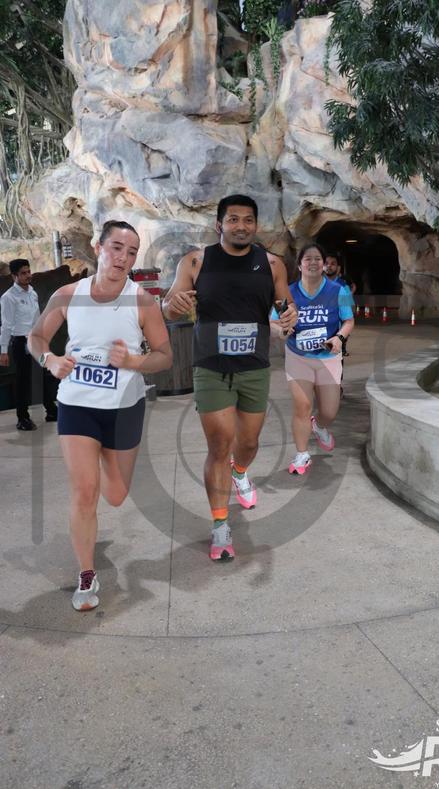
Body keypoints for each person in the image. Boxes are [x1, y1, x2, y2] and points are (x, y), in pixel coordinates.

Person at [28, 220, 172, 611]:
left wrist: (134, 361)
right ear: (98, 247)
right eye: (116, 248)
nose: (123, 258)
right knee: (84, 491)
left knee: (115, 494)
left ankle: (109, 469)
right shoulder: (68, 294)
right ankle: (87, 574)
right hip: (77, 404)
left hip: (124, 408)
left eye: (131, 252)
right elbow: (36, 337)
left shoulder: (142, 302)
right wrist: (49, 359)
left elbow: (165, 356)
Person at [162, 194, 297, 562]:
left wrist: (289, 315)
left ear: (256, 225)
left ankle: (241, 472)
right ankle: (220, 524)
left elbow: (285, 304)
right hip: (210, 366)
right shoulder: (196, 261)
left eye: (248, 220)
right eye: (233, 219)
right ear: (219, 224)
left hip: (254, 367)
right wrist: (172, 305)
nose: (241, 226)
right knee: (220, 445)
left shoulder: (272, 264)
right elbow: (169, 304)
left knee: (248, 443)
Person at [274, 243, 354, 474]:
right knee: (303, 406)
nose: (313, 262)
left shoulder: (340, 290)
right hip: (298, 356)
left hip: (328, 357)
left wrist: (339, 337)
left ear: (324, 265)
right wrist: (282, 330)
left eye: (318, 259)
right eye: (307, 259)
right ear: (299, 265)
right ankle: (301, 454)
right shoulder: (287, 293)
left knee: (329, 412)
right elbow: (273, 322)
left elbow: (349, 321)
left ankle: (318, 426)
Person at [0, 259, 58, 429]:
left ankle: (51, 411)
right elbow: (6, 325)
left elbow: (37, 319)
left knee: (44, 375)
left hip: (36, 341)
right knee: (23, 381)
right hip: (20, 343)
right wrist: (3, 351)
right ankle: (22, 418)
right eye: (23, 273)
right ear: (14, 276)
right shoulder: (8, 298)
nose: (28, 275)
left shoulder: (32, 293)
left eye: (28, 271)